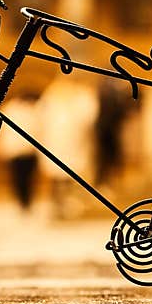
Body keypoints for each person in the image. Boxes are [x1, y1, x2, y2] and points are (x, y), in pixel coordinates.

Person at [37, 73, 99, 219]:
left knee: (70, 174)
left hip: (73, 141)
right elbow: (42, 117)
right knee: (57, 175)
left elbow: (88, 117)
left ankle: (68, 204)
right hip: (56, 142)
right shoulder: (51, 97)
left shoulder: (80, 97)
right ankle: (58, 205)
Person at [0, 91, 39, 210]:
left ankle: (25, 201)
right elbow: (3, 132)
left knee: (27, 177)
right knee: (19, 178)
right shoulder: (10, 109)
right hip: (17, 150)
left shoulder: (32, 110)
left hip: (27, 150)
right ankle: (22, 201)